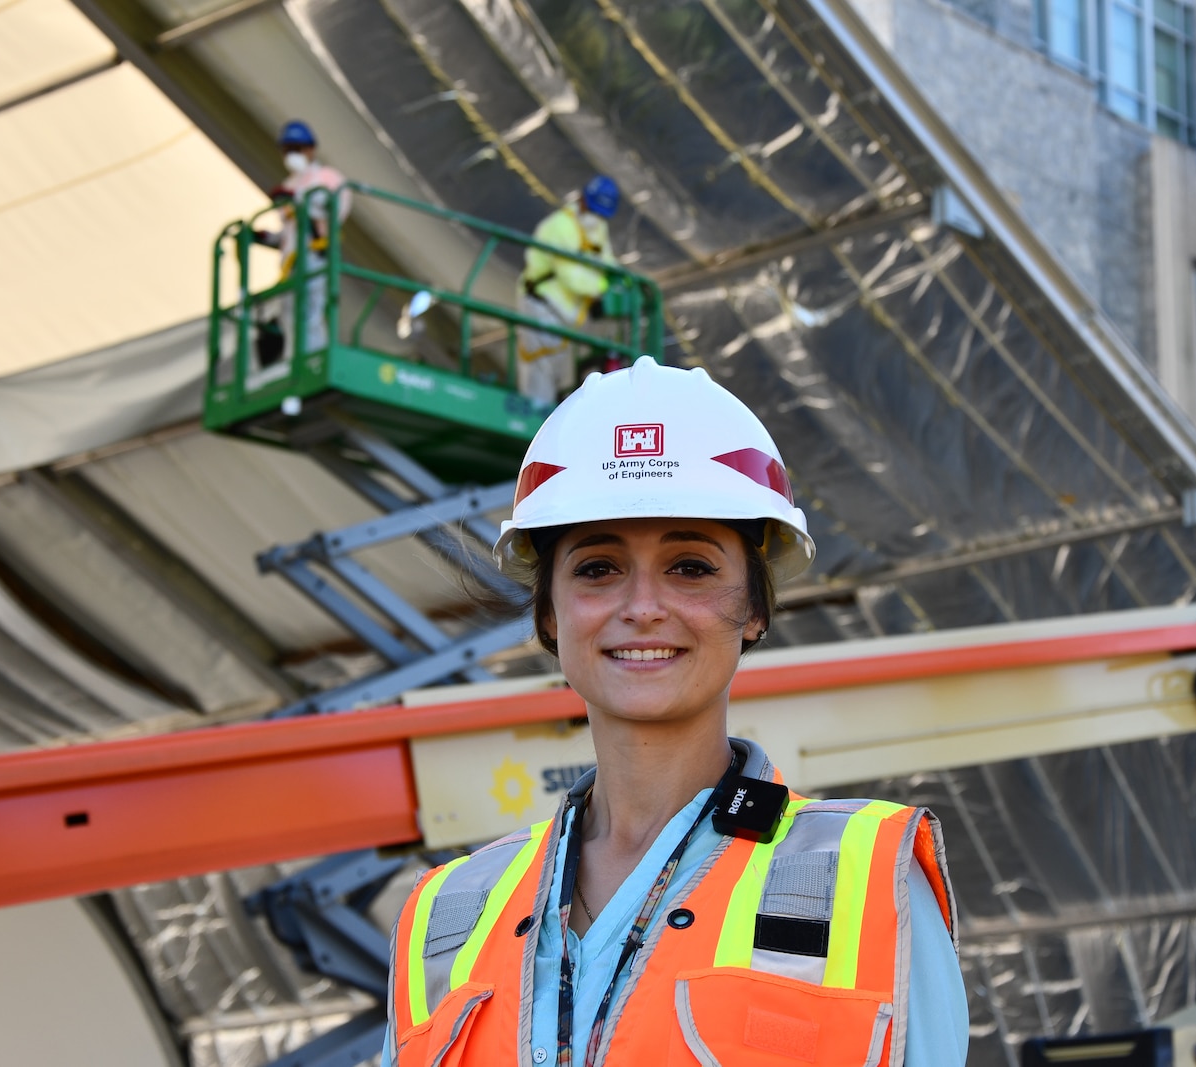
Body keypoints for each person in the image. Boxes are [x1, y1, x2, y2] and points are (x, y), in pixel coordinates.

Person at [385, 358, 968, 1066]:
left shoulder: (864, 883)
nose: (642, 606)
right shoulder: (445, 917)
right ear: (548, 614)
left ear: (752, 607)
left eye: (689, 565)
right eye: (597, 567)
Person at [517, 175, 621, 408]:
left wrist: (618, 279)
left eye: (601, 214)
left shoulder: (597, 228)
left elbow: (605, 260)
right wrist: (603, 288)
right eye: (594, 210)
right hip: (541, 306)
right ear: (583, 200)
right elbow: (571, 275)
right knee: (540, 365)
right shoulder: (558, 227)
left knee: (560, 367)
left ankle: (553, 415)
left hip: (566, 314)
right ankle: (535, 422)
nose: (597, 218)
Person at [254, 120, 351, 366]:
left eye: (297, 148)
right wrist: (269, 238)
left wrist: (301, 203)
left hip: (315, 255)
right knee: (288, 313)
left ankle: (314, 362)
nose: (292, 155)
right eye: (287, 150)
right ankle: (292, 363)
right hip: (291, 262)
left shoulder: (328, 178)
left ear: (311, 149)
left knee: (310, 310)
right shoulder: (288, 185)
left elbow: (334, 214)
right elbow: (290, 233)